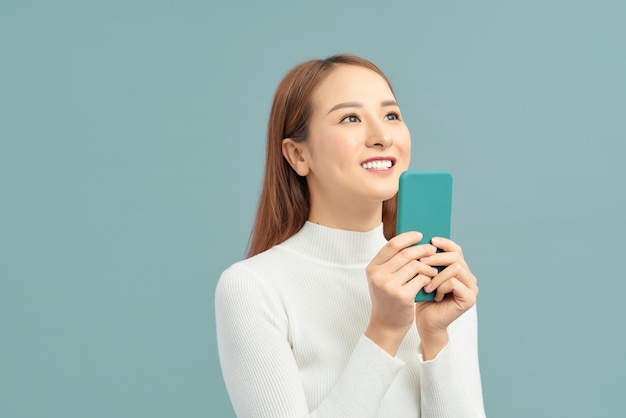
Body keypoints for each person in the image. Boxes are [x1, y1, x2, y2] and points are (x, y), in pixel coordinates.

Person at [215, 54, 485, 417]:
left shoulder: (437, 279)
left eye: (391, 115)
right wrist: (385, 330)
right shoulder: (252, 287)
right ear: (297, 155)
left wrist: (436, 337)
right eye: (351, 118)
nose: (381, 136)